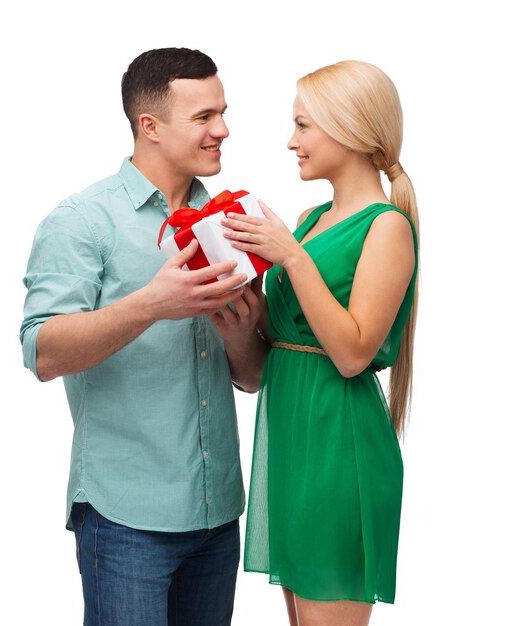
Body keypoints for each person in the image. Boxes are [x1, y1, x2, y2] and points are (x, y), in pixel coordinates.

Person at [20, 47, 268, 626]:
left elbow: (252, 376)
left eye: (223, 112)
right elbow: (41, 350)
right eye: (204, 116)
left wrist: (239, 337)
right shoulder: (82, 220)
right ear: (149, 126)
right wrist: (153, 305)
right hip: (125, 518)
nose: (223, 130)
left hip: (218, 512)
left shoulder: (232, 221)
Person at [214, 60, 419, 625]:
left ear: (349, 129)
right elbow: (269, 362)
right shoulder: (307, 221)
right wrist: (240, 322)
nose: (291, 142)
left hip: (339, 446)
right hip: (291, 445)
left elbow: (353, 354)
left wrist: (291, 257)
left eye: (303, 126)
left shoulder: (386, 227)